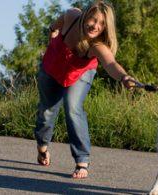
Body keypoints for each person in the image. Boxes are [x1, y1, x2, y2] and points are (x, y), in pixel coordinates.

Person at [34, 0, 135, 179]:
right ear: (85, 15)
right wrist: (53, 31)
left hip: (79, 73)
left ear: (106, 27)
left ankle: (82, 160)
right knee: (47, 111)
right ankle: (42, 147)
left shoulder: (97, 45)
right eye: (93, 19)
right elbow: (56, 23)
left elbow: (111, 63)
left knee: (73, 108)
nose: (95, 26)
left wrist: (124, 77)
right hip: (53, 67)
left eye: (102, 23)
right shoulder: (72, 16)